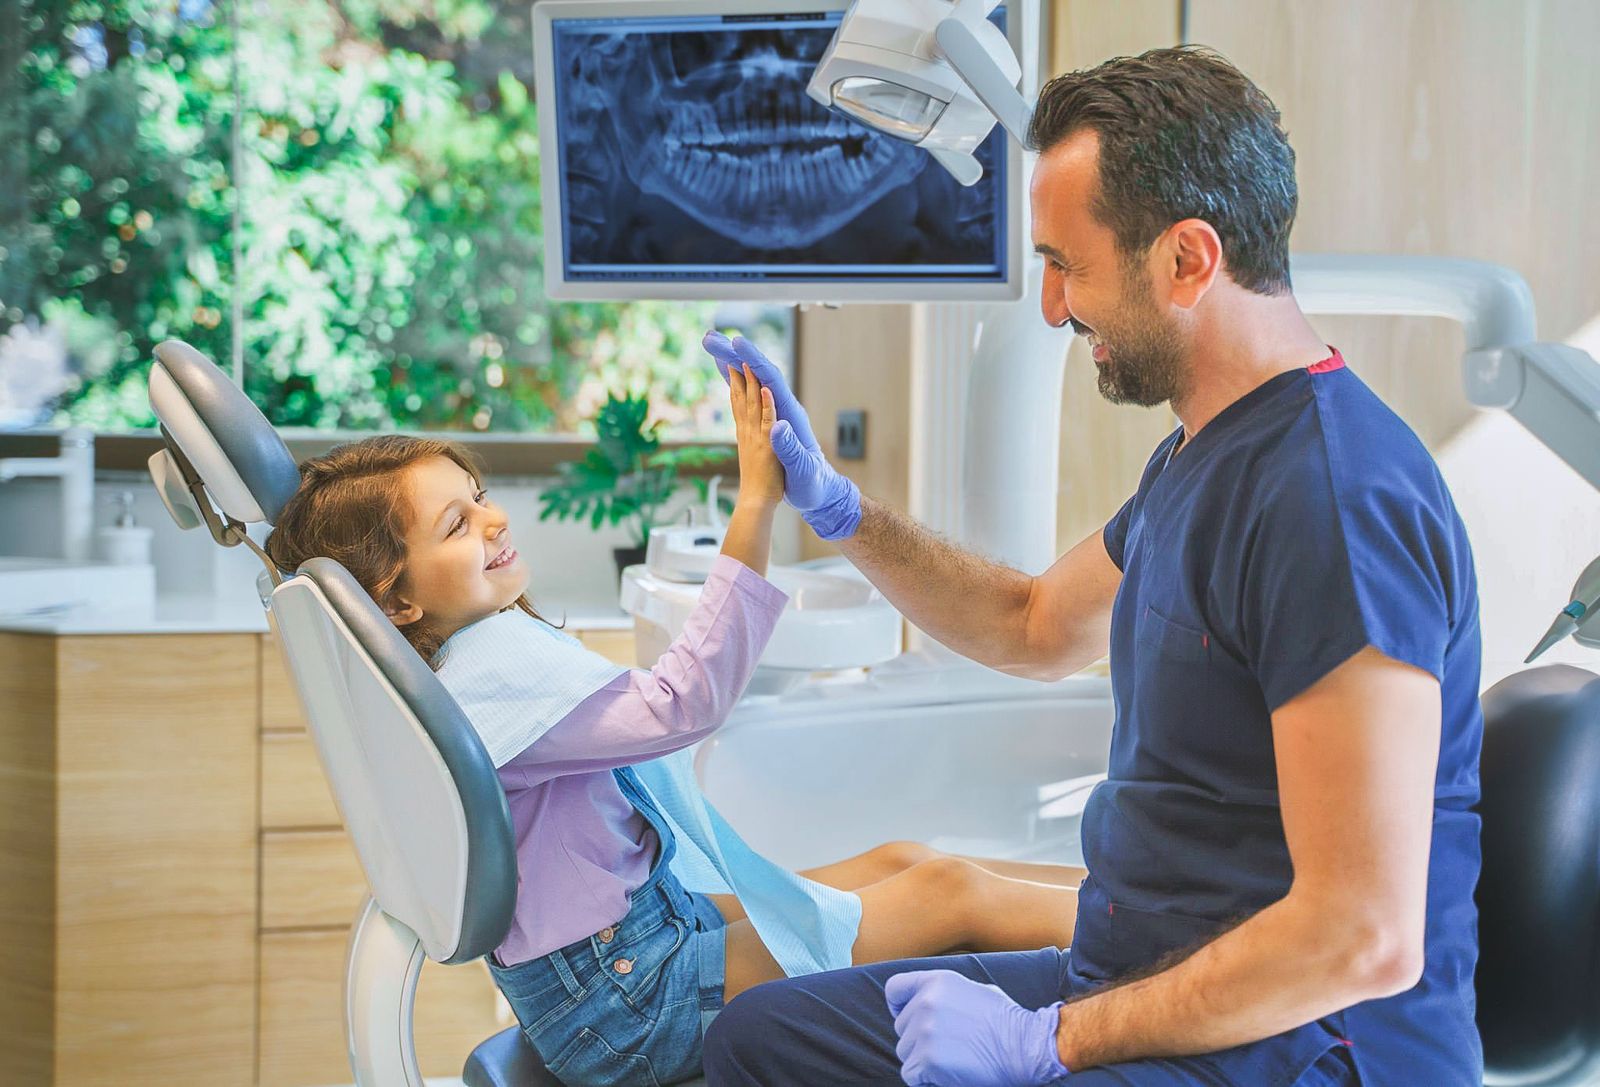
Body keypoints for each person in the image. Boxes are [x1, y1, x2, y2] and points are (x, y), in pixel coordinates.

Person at [699, 45, 1483, 1087]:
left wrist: (1044, 1042)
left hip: (1300, 1048)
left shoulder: (1331, 500)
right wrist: (841, 511)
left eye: (1071, 264)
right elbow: (1030, 622)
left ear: (1187, 260)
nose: (1053, 307)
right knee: (759, 1042)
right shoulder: (1200, 457)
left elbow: (1359, 935)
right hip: (1142, 979)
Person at [263, 364, 1090, 1087]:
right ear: (397, 600)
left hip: (629, 954)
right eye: (456, 526)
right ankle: (1156, 933)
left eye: (478, 499)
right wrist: (757, 498)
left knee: (905, 861)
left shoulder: (467, 660)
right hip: (626, 1000)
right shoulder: (487, 678)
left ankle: (1126, 899)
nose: (493, 521)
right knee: (945, 894)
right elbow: (683, 701)